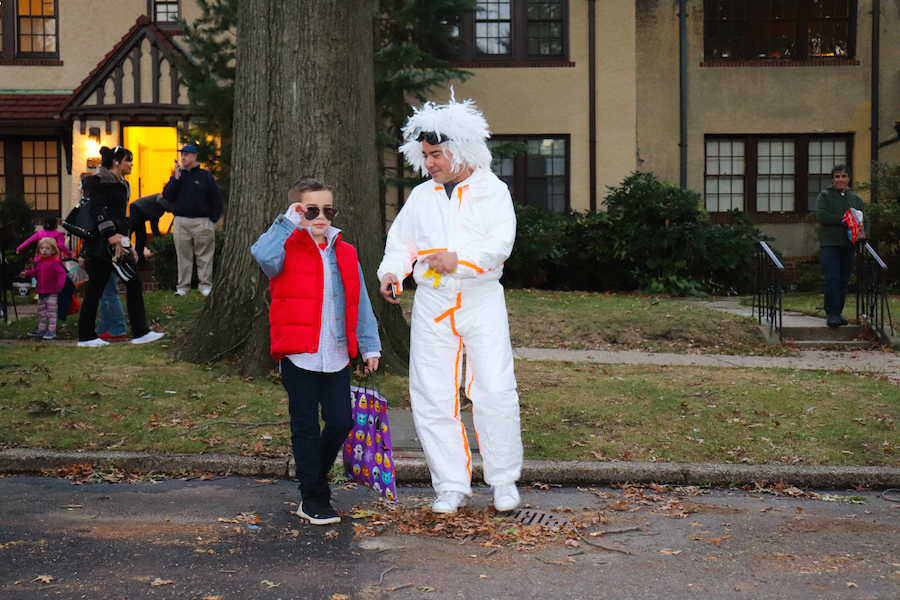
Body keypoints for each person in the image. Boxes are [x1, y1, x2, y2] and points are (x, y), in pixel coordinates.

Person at [377, 94, 523, 514]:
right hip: (433, 304)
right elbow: (401, 241)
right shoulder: (422, 196)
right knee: (431, 394)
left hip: (480, 300)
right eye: (424, 155)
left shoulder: (493, 191)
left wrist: (459, 260)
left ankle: (503, 482)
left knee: (494, 389)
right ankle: (451, 486)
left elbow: (500, 244)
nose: (430, 163)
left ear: (459, 149)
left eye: (435, 154)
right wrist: (392, 272)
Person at [251, 178, 382, 525]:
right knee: (305, 426)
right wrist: (286, 222)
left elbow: (361, 301)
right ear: (298, 210)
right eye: (311, 209)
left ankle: (313, 475)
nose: (321, 216)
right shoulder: (284, 247)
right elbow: (261, 255)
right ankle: (313, 497)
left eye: (327, 209)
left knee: (342, 421)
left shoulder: (345, 251)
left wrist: (369, 346)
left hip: (337, 353)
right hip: (299, 355)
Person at [77, 145, 165, 347]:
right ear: (116, 162)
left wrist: (128, 243)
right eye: (128, 160)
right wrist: (110, 235)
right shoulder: (99, 181)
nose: (132, 164)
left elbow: (120, 217)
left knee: (121, 285)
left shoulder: (123, 184)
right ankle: (88, 336)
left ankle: (137, 332)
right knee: (104, 288)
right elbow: (96, 208)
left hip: (118, 243)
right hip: (103, 245)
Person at [162, 144, 224, 297]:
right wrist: (175, 179)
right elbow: (167, 196)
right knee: (183, 257)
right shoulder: (177, 176)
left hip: (202, 221)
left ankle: (205, 286)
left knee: (205, 256)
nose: (183, 157)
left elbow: (216, 200)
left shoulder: (205, 176)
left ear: (195, 157)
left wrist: (211, 221)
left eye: (187, 154)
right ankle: (183, 287)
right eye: (182, 155)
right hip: (181, 222)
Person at [815, 164, 867, 328]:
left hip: (848, 245)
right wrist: (844, 220)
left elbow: (864, 221)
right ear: (832, 180)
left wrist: (864, 233)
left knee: (844, 280)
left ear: (849, 179)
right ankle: (831, 314)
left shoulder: (856, 199)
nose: (840, 180)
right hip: (829, 244)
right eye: (837, 177)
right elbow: (822, 215)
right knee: (832, 278)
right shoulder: (825, 196)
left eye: (843, 176)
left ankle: (838, 313)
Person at [19, 237, 67, 340]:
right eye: (42, 248)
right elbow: (35, 272)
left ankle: (51, 330)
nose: (44, 250)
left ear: (53, 250)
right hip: (41, 291)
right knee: (41, 312)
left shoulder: (55, 263)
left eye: (47, 248)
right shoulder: (40, 263)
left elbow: (62, 274)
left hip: (52, 292)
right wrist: (27, 273)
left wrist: (59, 286)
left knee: (51, 312)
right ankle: (41, 329)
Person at [128, 193, 173, 265]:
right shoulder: (162, 198)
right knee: (132, 227)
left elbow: (154, 226)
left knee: (141, 236)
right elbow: (160, 200)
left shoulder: (158, 211)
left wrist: (159, 239)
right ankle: (125, 248)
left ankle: (139, 260)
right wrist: (173, 210)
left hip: (139, 210)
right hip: (137, 208)